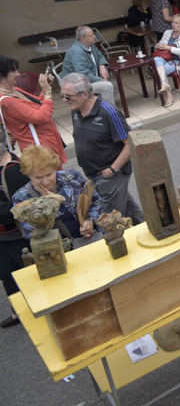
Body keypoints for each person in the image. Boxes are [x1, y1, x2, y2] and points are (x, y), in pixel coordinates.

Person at [60, 73, 144, 224]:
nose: (64, 100)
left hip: (110, 176)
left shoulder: (109, 112)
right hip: (93, 175)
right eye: (62, 95)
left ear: (85, 94)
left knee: (111, 222)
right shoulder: (76, 110)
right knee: (129, 209)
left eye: (68, 96)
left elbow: (130, 143)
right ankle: (147, 227)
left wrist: (112, 170)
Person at [12, 144, 105, 245]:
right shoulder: (21, 198)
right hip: (59, 250)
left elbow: (97, 201)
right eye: (38, 178)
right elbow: (31, 234)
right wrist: (51, 205)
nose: (46, 181)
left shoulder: (72, 177)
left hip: (92, 240)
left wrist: (90, 221)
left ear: (55, 168)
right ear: (28, 175)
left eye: (49, 174)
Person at [0, 56, 66, 166]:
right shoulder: (7, 101)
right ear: (1, 76)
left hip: (46, 141)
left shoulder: (14, 90)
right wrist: (47, 93)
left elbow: (37, 102)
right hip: (38, 149)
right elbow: (41, 117)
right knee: (50, 178)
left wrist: (45, 87)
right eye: (13, 71)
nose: (18, 74)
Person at [0, 133, 30, 328]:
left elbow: (20, 209)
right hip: (2, 237)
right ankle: (18, 311)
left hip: (16, 235)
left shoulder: (13, 171)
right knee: (6, 275)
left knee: (29, 273)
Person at [61, 26, 115, 107]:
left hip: (89, 81)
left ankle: (100, 107)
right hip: (77, 86)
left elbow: (100, 55)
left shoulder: (90, 46)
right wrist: (100, 80)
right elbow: (83, 75)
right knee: (107, 86)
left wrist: (102, 66)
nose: (94, 36)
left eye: (93, 34)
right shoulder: (77, 52)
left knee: (115, 83)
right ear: (83, 39)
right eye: (91, 35)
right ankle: (110, 112)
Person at [153, 13, 180, 108]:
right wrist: (159, 46)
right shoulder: (167, 32)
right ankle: (164, 83)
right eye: (173, 23)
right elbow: (159, 45)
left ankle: (169, 95)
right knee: (156, 59)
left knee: (159, 71)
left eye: (176, 23)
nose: (173, 25)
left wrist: (169, 48)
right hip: (164, 58)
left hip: (178, 61)